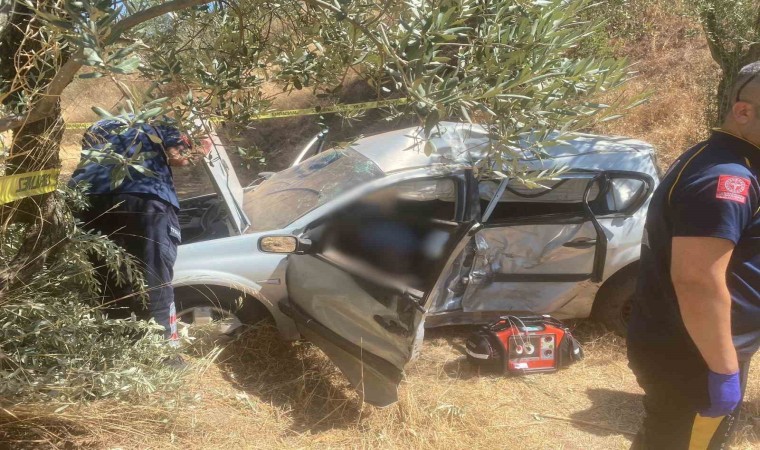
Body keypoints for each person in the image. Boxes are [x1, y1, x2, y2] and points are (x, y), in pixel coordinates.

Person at [627, 62, 760, 449]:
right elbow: (697, 281)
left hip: (693, 347)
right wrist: (723, 371)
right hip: (698, 357)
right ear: (744, 112)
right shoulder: (727, 179)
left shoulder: (718, 157)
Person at [69, 119, 200, 347]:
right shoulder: (160, 122)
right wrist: (200, 148)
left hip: (85, 199)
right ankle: (164, 353)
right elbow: (178, 156)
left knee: (108, 276)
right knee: (155, 276)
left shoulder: (97, 125)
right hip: (143, 198)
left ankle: (119, 347)